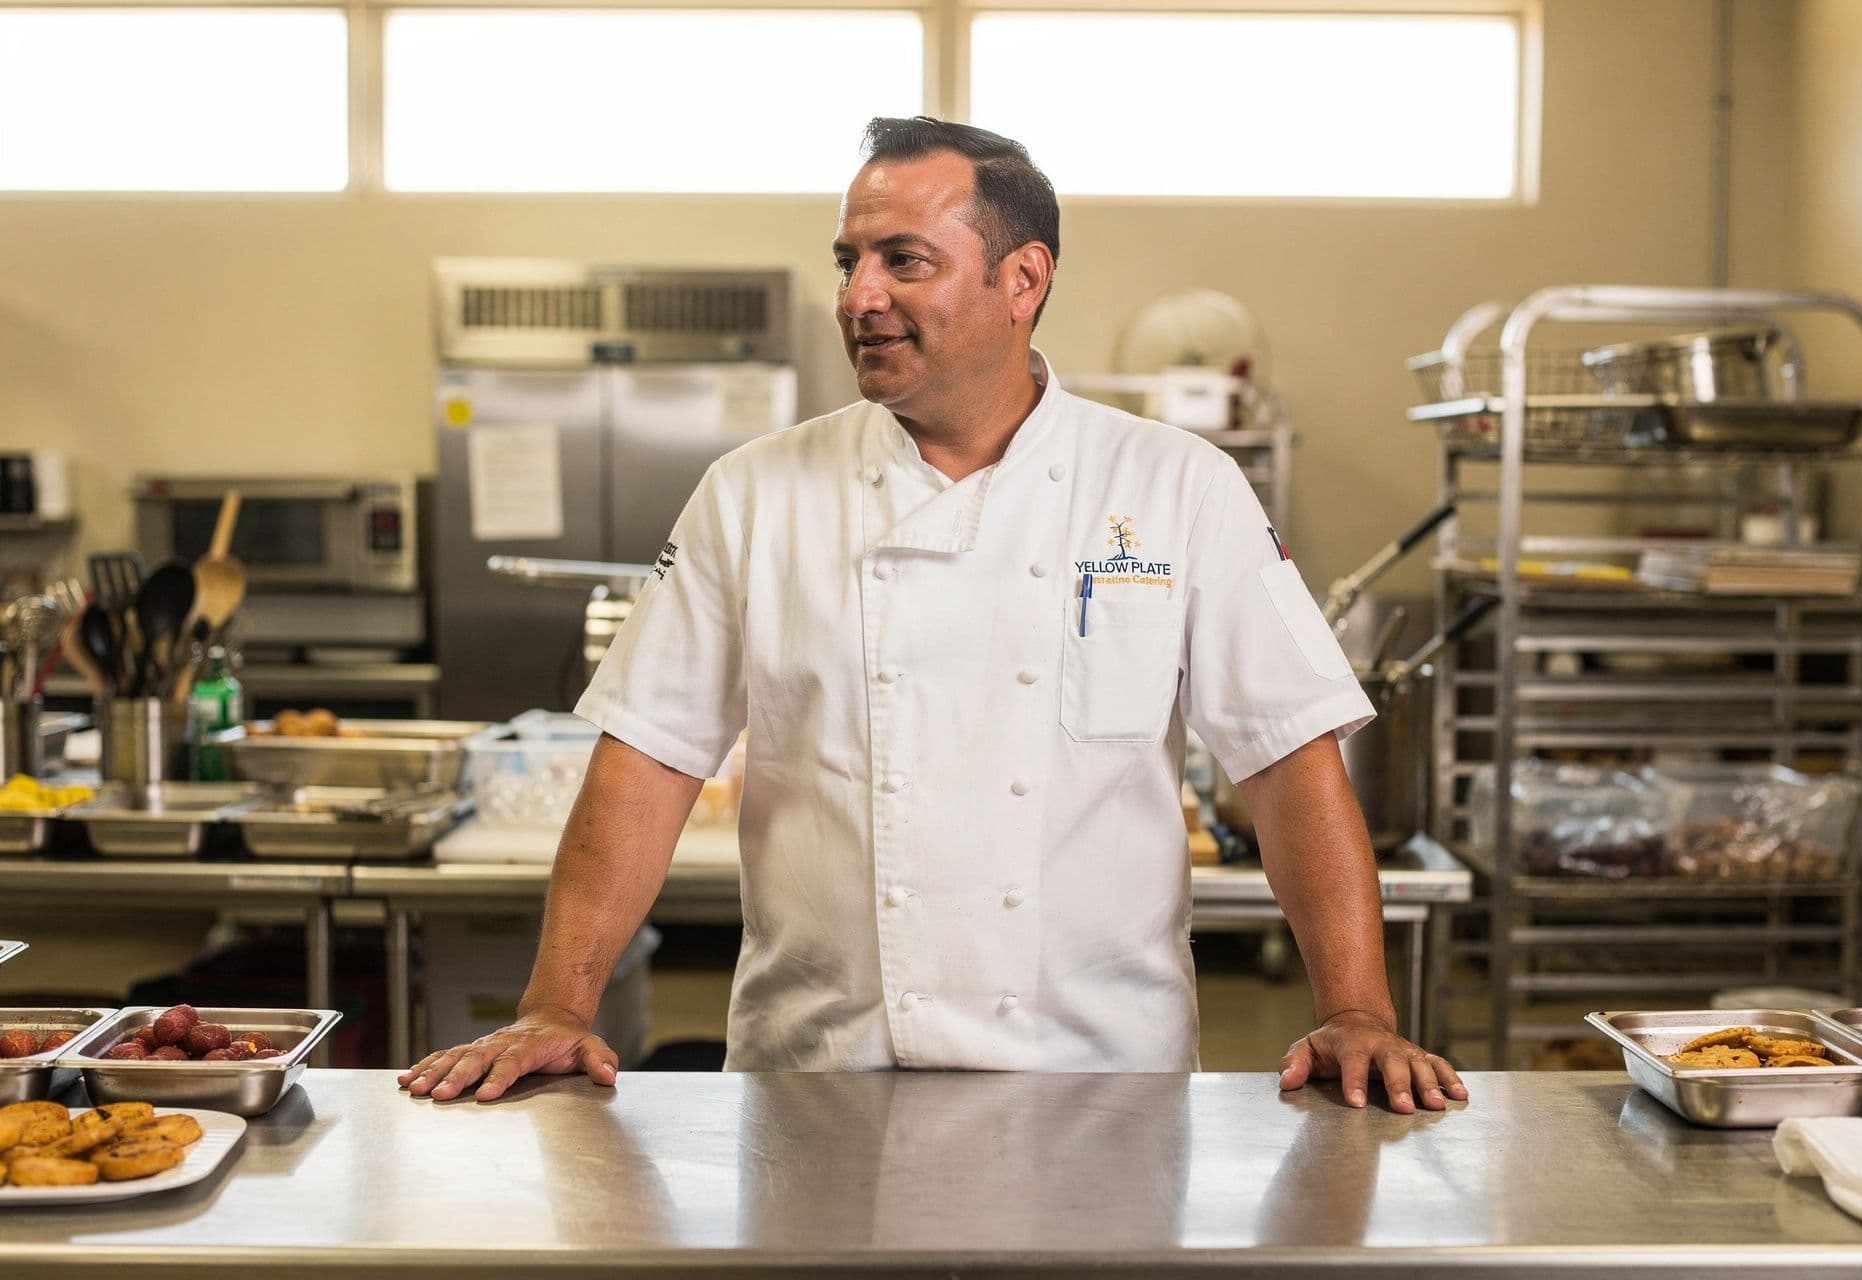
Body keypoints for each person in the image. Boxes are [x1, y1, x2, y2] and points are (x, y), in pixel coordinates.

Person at [400, 116, 1467, 1114]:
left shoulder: (1175, 486)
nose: (859, 296)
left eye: (904, 260)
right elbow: (648, 758)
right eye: (848, 261)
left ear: (1023, 279)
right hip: (813, 1079)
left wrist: (1357, 1011)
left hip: (1104, 1083)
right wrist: (556, 1005)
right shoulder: (754, 492)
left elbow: (1288, 762)